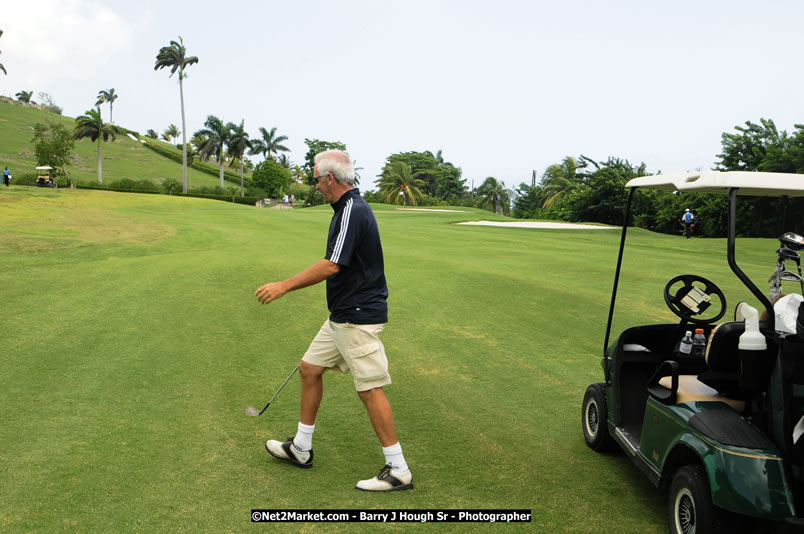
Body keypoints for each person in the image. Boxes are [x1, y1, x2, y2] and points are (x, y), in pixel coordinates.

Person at [254, 149, 413, 492]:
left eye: (316, 180)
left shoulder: (352, 210)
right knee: (310, 368)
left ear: (329, 178)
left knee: (369, 389)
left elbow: (332, 264)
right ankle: (301, 448)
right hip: (343, 314)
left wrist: (284, 286)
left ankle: (398, 469)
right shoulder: (345, 208)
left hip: (357, 317)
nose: (315, 186)